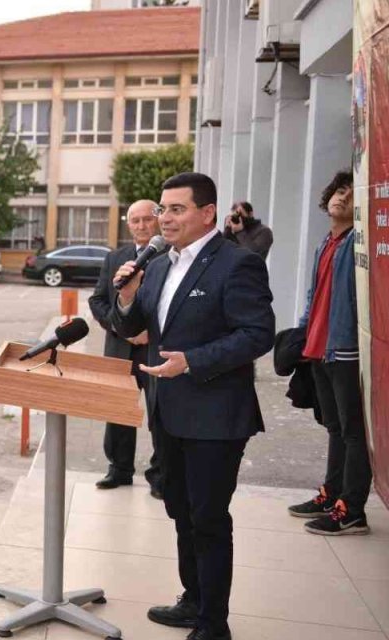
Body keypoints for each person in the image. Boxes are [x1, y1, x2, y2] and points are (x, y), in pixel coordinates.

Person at [109, 172, 274, 640]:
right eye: (163, 209)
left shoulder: (236, 264)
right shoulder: (159, 264)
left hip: (216, 416)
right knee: (180, 509)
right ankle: (193, 599)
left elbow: (257, 334)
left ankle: (213, 622)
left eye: (176, 209)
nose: (165, 218)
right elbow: (136, 324)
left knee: (208, 518)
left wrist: (193, 362)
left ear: (208, 214)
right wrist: (125, 296)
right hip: (168, 411)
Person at [288, 171, 372, 536]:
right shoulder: (327, 242)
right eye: (339, 191)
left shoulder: (357, 242)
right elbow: (313, 294)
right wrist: (304, 335)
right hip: (320, 349)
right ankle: (331, 494)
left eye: (352, 194)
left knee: (354, 431)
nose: (342, 197)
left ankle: (352, 509)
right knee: (335, 427)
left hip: (345, 351)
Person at [88, 200, 164, 498]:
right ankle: (119, 470)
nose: (142, 225)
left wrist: (149, 333)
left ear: (157, 221)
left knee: (161, 414)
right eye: (135, 220)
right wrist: (122, 328)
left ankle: (161, 476)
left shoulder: (171, 258)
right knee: (118, 411)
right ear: (128, 224)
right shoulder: (115, 258)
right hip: (121, 350)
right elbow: (98, 301)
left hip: (157, 353)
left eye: (147, 219)